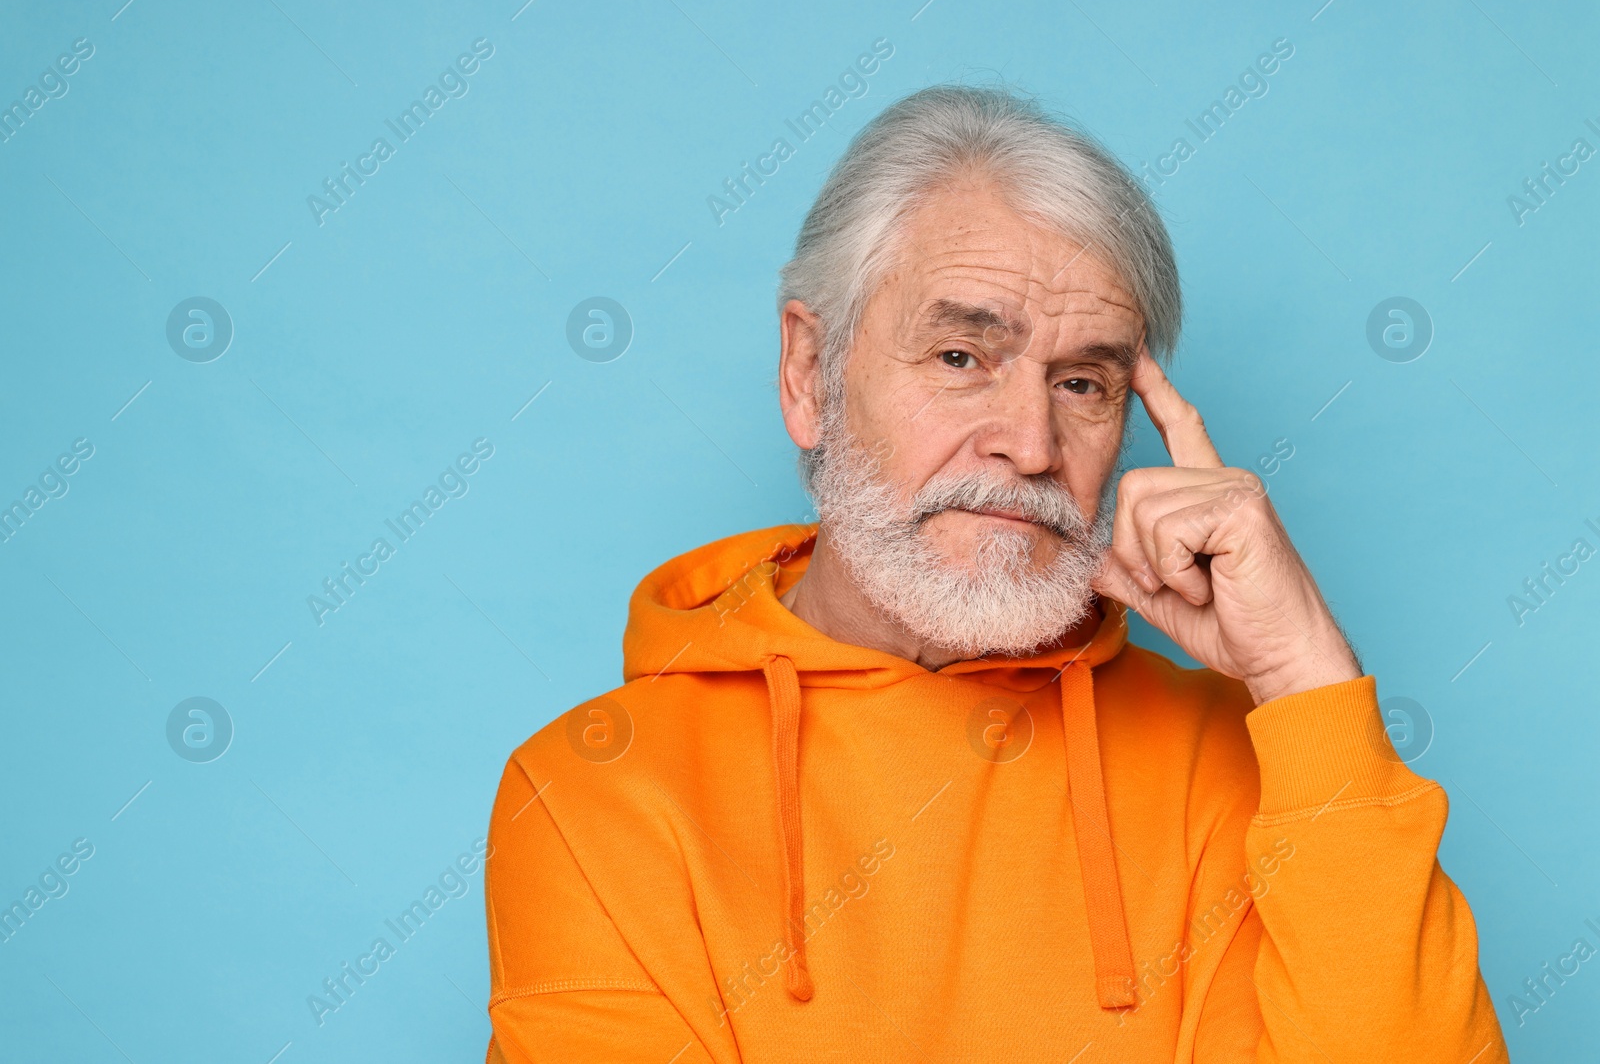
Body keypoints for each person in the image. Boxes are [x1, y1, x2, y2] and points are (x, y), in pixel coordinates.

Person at [480, 85, 1508, 1062]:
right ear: (808, 374)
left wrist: (1306, 678)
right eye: (961, 357)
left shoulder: (1244, 764)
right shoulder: (592, 791)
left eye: (1082, 381)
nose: (1029, 440)